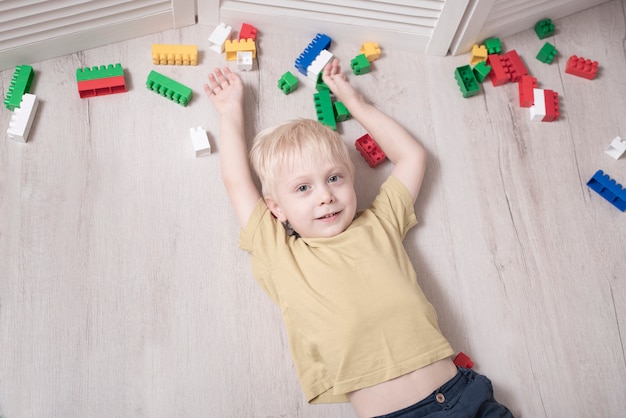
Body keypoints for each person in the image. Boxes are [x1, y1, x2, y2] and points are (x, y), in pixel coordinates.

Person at [204, 58, 513, 418]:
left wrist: (354, 101)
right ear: (276, 208)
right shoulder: (279, 253)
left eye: (334, 178)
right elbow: (237, 182)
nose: (325, 195)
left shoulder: (379, 223)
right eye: (303, 188)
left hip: (464, 395)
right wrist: (230, 112)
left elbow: (412, 156)